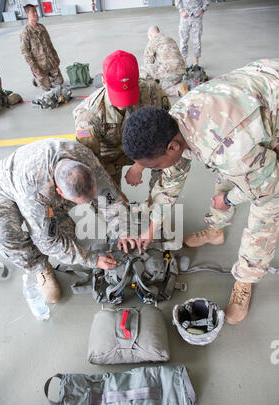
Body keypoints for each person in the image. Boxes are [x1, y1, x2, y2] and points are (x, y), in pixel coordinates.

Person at [122, 59, 279, 325]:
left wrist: (229, 198)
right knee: (226, 172)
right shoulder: (176, 122)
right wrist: (150, 229)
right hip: (254, 100)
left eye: (154, 166)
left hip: (267, 112)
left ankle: (246, 279)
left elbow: (269, 183)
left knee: (266, 210)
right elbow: (172, 177)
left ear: (172, 147)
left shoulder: (227, 146)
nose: (157, 170)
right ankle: (215, 231)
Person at [0, 139, 134, 304]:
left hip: (43, 192)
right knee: (4, 235)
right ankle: (40, 267)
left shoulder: (84, 158)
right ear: (59, 192)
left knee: (69, 238)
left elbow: (107, 194)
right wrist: (92, 259)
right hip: (3, 189)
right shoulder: (35, 192)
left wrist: (122, 229)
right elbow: (48, 242)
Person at [73, 50, 171, 190]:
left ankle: (158, 203)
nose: (124, 103)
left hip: (145, 146)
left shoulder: (152, 92)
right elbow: (90, 162)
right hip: (109, 154)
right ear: (103, 82)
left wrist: (139, 166)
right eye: (119, 94)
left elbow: (165, 134)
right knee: (104, 197)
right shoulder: (88, 116)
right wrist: (114, 196)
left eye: (129, 92)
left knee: (170, 156)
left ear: (138, 79)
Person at [20, 4, 63, 91]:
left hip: (50, 62)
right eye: (33, 12)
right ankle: (37, 79)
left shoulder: (41, 28)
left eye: (36, 11)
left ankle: (45, 78)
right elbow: (25, 53)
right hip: (40, 66)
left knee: (60, 82)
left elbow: (50, 44)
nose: (36, 14)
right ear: (27, 15)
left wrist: (56, 58)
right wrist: (35, 68)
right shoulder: (25, 33)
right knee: (47, 88)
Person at [141, 25, 188, 97]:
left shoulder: (152, 41)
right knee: (165, 84)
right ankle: (179, 87)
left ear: (150, 35)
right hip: (181, 70)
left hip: (169, 70)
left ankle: (148, 88)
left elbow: (148, 62)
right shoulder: (170, 39)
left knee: (144, 68)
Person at [176, 0, 210, 66]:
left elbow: (206, 1)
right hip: (185, 16)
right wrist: (182, 11)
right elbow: (177, 1)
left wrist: (203, 10)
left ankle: (196, 61)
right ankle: (184, 60)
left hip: (197, 16)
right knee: (183, 40)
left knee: (197, 40)